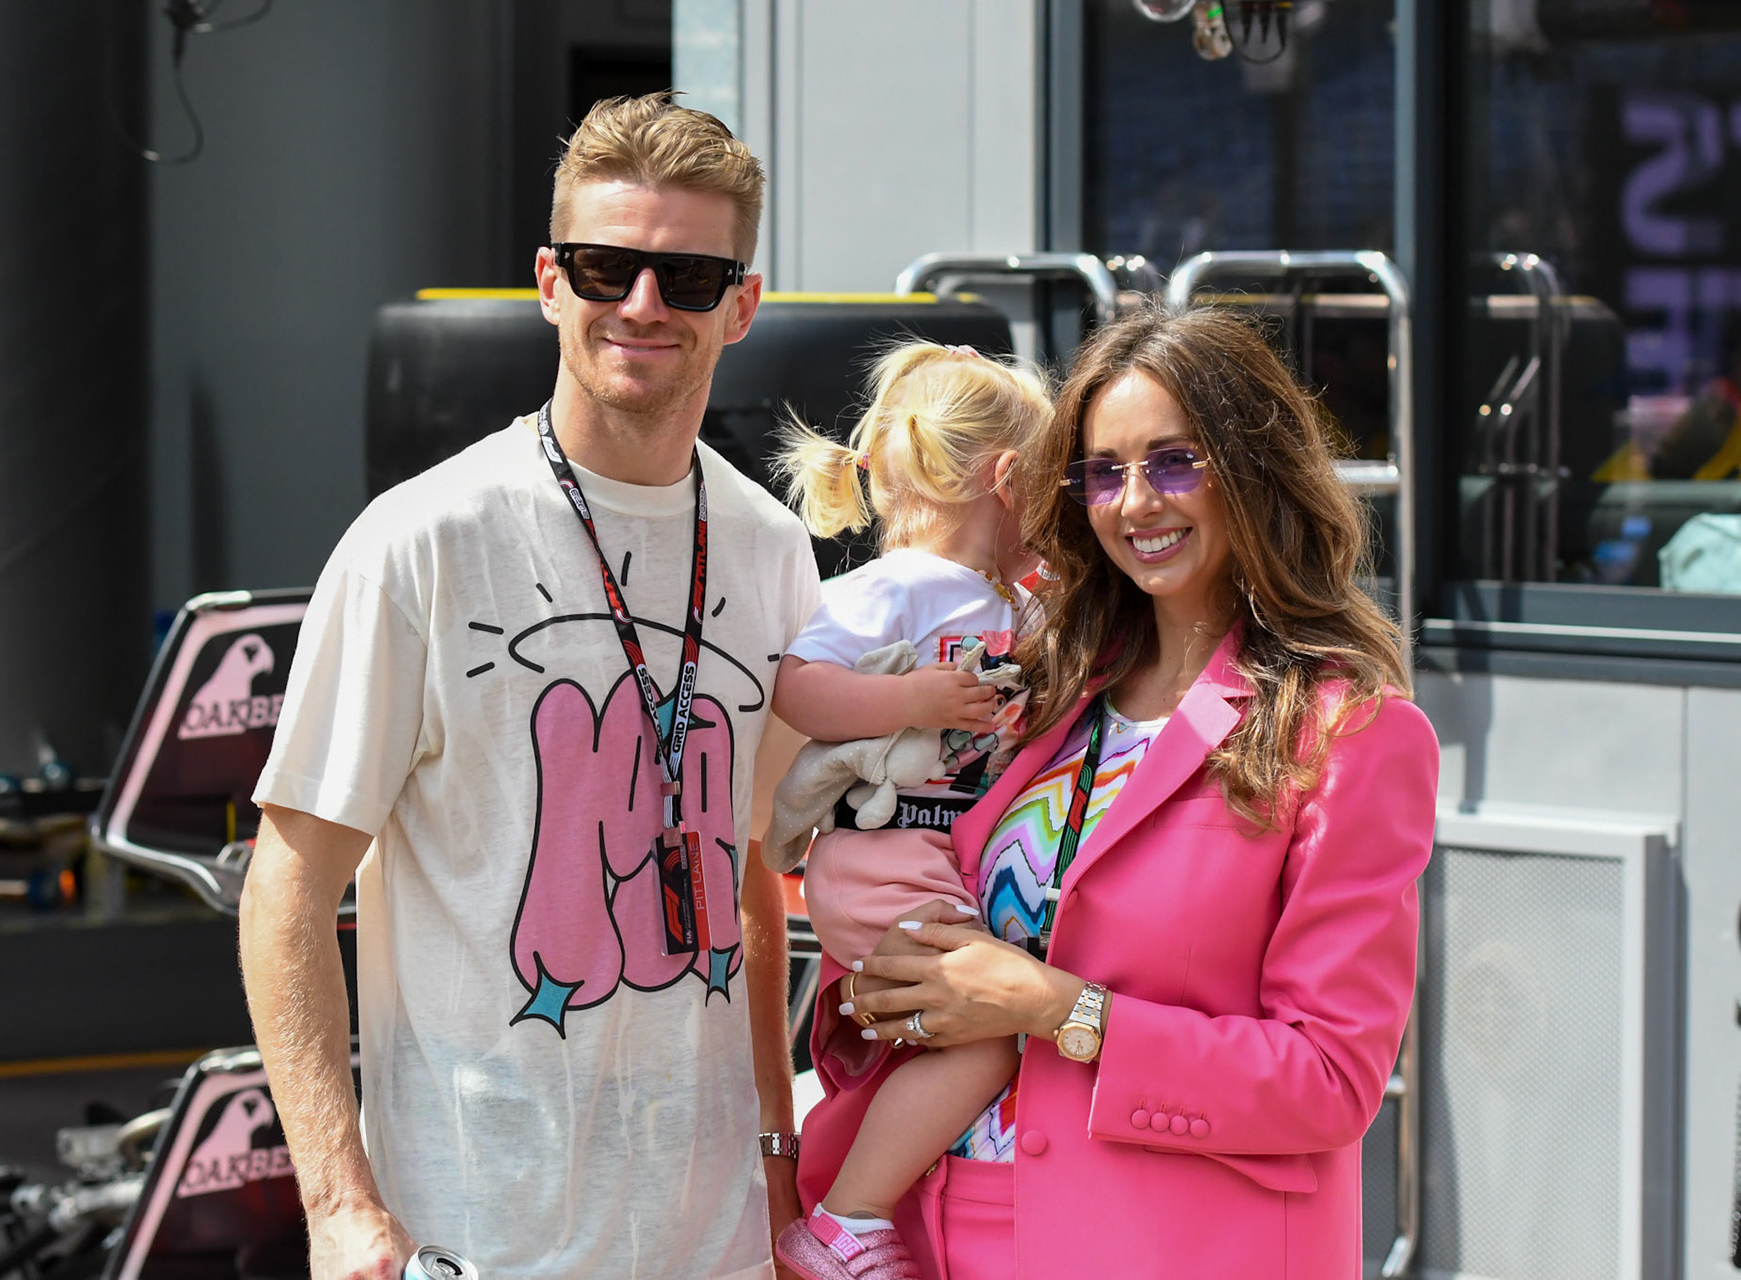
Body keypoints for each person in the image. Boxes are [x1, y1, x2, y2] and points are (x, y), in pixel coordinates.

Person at [239, 93, 820, 1280]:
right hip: (480, 1239)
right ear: (551, 282)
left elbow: (757, 879)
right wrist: (340, 1202)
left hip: (714, 1247)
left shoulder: (772, 550)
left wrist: (777, 1146)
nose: (643, 305)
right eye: (608, 267)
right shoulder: (422, 541)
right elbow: (288, 892)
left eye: (689, 277)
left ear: (744, 304)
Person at [798, 305, 1440, 1280]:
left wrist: (1061, 1006)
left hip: (1173, 1248)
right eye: (1104, 470)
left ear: (1251, 469)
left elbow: (1330, 1079)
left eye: (1174, 461)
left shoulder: (1350, 731)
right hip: (939, 1236)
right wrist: (896, 988)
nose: (1137, 500)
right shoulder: (1039, 689)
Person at [761, 343, 1050, 1277]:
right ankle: (847, 1218)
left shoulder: (1014, 600)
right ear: (1009, 478)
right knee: (994, 1025)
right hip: (877, 852)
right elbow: (800, 690)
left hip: (928, 855)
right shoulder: (898, 587)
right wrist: (916, 702)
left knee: (968, 1023)